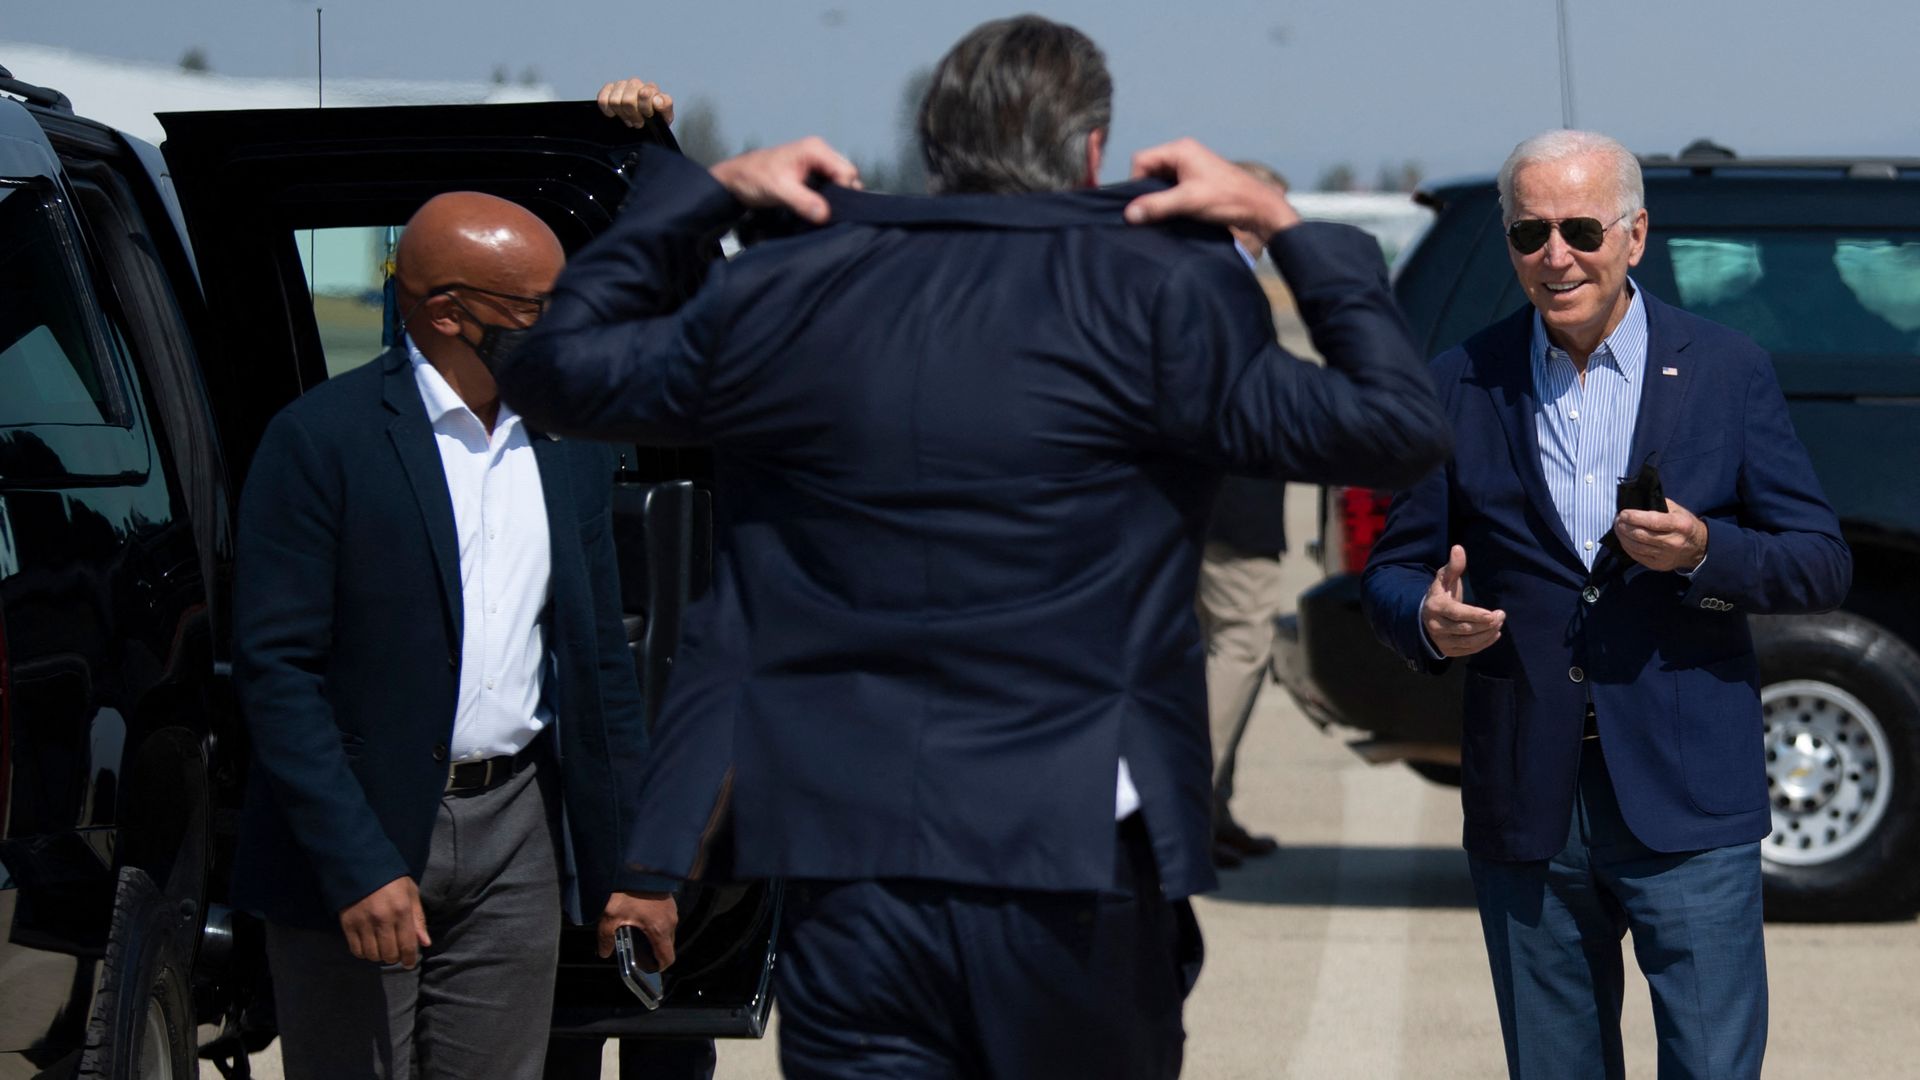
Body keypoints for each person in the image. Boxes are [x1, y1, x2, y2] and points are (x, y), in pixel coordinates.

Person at [494, 16, 1450, 1078]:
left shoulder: (781, 294)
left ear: (936, 147)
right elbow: (1397, 429)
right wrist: (1277, 220)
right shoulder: (1158, 297)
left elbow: (551, 370)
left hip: (846, 862)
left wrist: (707, 193)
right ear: (1091, 149)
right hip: (1072, 854)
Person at [1360, 129, 1851, 1079]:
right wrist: (1425, 617)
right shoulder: (1458, 381)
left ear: (1635, 235)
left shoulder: (1724, 368)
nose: (1556, 255)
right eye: (1529, 231)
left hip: (1688, 793)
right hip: (1529, 801)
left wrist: (1708, 549)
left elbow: (1820, 563)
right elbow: (1389, 570)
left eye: (1581, 228)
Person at [231, 188, 680, 1079]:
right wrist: (358, 866)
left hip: (517, 831)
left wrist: (637, 866)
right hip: (360, 839)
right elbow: (278, 673)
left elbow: (598, 669)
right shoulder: (321, 441)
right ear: (447, 313)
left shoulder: (574, 443)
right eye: (538, 311)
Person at [1200, 159, 1292, 868]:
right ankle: (1185, 803)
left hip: (1204, 501)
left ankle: (1212, 808)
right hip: (1230, 500)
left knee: (1211, 650)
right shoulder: (1226, 280)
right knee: (1241, 644)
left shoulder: (1197, 272)